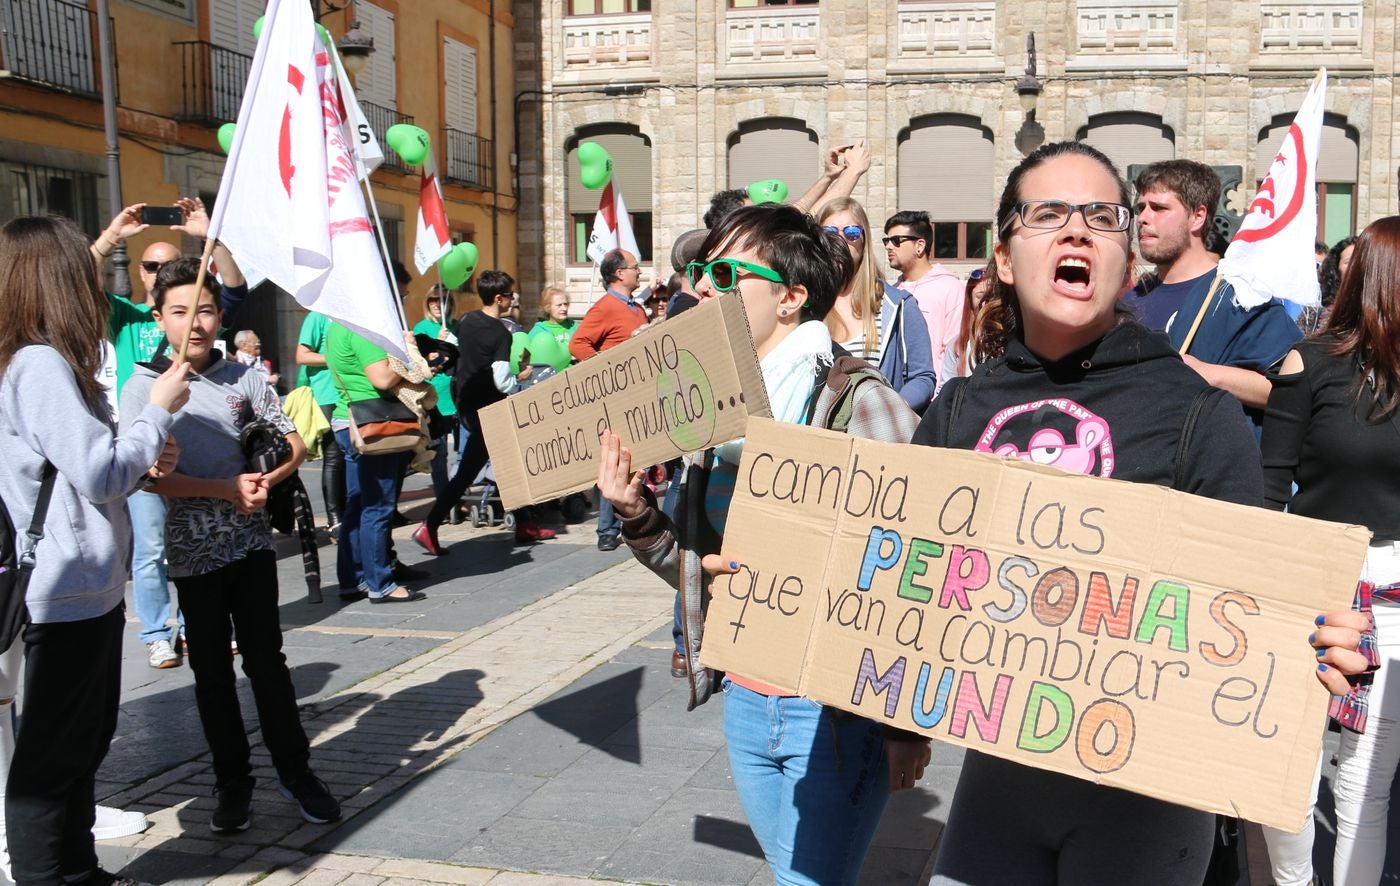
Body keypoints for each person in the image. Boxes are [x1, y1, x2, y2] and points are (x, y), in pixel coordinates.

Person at [910, 140, 1370, 885]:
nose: (1076, 230)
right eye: (1048, 212)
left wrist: (1314, 644)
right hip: (997, 787)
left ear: (1127, 263)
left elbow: (1255, 609)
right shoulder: (960, 408)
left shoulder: (1195, 411)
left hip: (1148, 804)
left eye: (1102, 215)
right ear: (1002, 257)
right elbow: (897, 575)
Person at [597, 204, 931, 884]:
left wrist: (905, 725)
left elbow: (918, 569)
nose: (702, 287)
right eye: (698, 271)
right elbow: (696, 570)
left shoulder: (858, 402)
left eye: (724, 272)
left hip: (832, 713)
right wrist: (637, 515)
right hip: (746, 697)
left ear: (791, 297)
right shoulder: (709, 412)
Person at [0, 215, 189, 886]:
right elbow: (97, 470)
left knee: (77, 746)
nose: (97, 281)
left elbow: (102, 463)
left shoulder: (41, 361)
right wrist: (157, 410)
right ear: (57, 278)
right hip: (69, 586)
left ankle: (77, 869)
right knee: (54, 759)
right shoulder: (40, 364)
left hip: (85, 582)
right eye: (86, 268)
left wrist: (143, 451)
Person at [1259, 216, 1400, 886]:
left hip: (1396, 598)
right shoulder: (1307, 364)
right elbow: (1267, 484)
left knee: (1365, 785)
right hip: (1311, 584)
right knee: (1284, 766)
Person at [91, 199, 250, 671]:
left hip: (200, 441)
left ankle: (210, 625)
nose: (158, 270)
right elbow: (73, 285)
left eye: (166, 263)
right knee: (151, 545)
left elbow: (236, 290)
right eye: (150, 265)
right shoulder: (126, 315)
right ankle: (159, 631)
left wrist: (210, 239)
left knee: (205, 535)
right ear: (139, 272)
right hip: (143, 442)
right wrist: (111, 236)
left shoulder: (195, 308)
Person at [1124, 160, 1301, 433]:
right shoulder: (1129, 301)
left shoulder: (1239, 296)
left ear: (1198, 216)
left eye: (1159, 208)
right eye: (1141, 208)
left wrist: (1205, 373)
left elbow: (1292, 391)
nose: (1144, 218)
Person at [415, 271, 556, 552]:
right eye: (510, 295)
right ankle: (429, 526)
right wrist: (523, 375)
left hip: (466, 405)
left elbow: (451, 349)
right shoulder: (501, 334)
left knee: (510, 464)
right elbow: (502, 380)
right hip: (490, 409)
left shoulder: (466, 320)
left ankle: (525, 523)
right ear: (499, 298)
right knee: (469, 472)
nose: (513, 299)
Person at [325, 319, 427, 605]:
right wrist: (408, 351)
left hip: (350, 421)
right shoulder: (363, 328)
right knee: (377, 507)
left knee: (357, 507)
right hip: (373, 424)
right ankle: (380, 583)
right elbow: (381, 378)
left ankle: (352, 579)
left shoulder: (338, 325)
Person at [816, 196, 936, 412]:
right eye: (830, 233)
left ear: (864, 241)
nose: (841, 240)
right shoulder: (807, 304)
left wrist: (889, 411)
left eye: (851, 232)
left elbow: (923, 377)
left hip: (877, 434)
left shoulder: (899, 305)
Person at [570, 250, 650, 550]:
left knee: (633, 461)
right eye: (634, 267)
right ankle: (606, 531)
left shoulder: (635, 308)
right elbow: (578, 344)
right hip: (613, 400)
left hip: (636, 397)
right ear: (619, 274)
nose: (638, 271)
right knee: (613, 460)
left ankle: (633, 522)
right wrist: (606, 368)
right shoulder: (605, 307)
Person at [883, 209, 964, 375]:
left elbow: (955, 349)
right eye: (887, 240)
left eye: (896, 240)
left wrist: (941, 396)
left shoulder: (950, 288)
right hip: (894, 395)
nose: (888, 246)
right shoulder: (892, 292)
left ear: (920, 245)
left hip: (935, 395)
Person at [294, 312, 345, 535]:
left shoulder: (349, 314)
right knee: (334, 457)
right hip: (326, 395)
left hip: (350, 393)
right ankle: (334, 518)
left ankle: (348, 513)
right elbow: (302, 355)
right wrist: (335, 357)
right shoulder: (318, 317)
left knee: (349, 457)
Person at [412, 288, 462, 510]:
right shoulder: (421, 328)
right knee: (439, 454)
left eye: (442, 300)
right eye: (432, 299)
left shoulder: (456, 326)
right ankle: (445, 501)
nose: (436, 304)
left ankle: (461, 495)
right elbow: (418, 360)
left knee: (462, 453)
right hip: (434, 400)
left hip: (456, 398)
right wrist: (437, 341)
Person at [937, 266, 995, 394]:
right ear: (970, 300)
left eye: (991, 296)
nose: (985, 303)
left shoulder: (1011, 341)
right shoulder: (958, 345)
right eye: (980, 297)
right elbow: (946, 391)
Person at [526, 286, 575, 373]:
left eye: (566, 304)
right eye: (559, 305)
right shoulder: (538, 331)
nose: (564, 308)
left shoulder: (574, 326)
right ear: (548, 307)